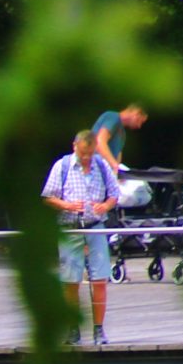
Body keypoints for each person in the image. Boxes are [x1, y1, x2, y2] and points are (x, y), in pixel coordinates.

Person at [44, 126, 118, 345]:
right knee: (70, 281)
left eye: (90, 153)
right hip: (70, 228)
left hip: (95, 226)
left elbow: (114, 194)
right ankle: (73, 330)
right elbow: (47, 197)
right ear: (75, 147)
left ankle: (99, 330)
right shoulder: (62, 165)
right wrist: (66, 205)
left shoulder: (101, 165)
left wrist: (105, 206)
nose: (86, 158)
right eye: (83, 153)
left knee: (100, 279)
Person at [92, 104, 147, 174]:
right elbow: (99, 142)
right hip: (94, 168)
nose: (139, 126)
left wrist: (116, 170)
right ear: (136, 113)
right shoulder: (113, 117)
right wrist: (114, 165)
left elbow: (118, 156)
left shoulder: (122, 134)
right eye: (140, 121)